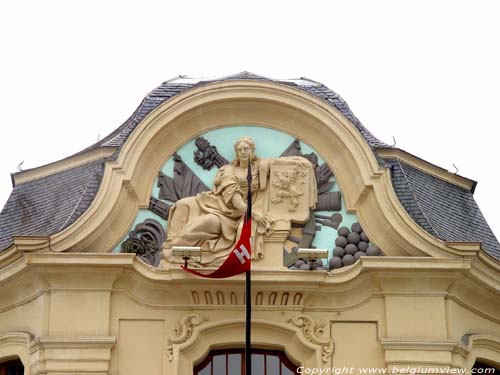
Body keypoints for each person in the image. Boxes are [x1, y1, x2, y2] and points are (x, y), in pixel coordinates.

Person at [163, 136, 315, 266]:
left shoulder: (260, 166)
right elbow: (237, 202)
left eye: (246, 149)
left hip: (238, 215)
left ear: (252, 151)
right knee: (182, 204)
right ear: (236, 153)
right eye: (240, 149)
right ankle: (171, 249)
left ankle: (174, 251)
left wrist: (301, 161)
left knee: (201, 224)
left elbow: (279, 163)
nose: (243, 152)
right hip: (224, 208)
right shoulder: (229, 171)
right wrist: (256, 215)